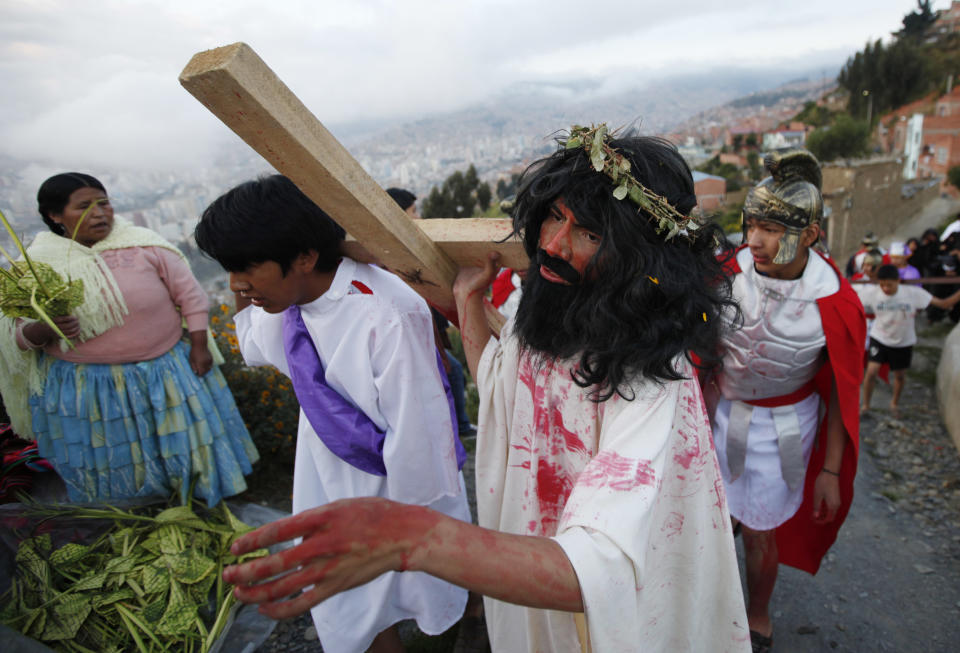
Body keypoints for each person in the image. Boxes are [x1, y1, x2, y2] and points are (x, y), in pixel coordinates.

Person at [220, 127, 751, 652]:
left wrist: (413, 537)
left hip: (607, 617)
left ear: (643, 258)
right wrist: (470, 306)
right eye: (553, 217)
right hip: (525, 562)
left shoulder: (652, 383)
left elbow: (600, 566)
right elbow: (504, 388)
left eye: (589, 233)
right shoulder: (554, 314)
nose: (552, 245)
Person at [194, 175, 472, 653]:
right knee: (348, 592)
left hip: (391, 479)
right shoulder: (290, 298)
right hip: (325, 462)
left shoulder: (385, 312)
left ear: (304, 256)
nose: (237, 286)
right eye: (227, 269)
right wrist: (246, 272)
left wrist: (403, 518)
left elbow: (418, 428)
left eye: (246, 268)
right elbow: (256, 344)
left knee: (408, 572)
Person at [0, 173, 258, 505]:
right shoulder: (35, 267)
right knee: (112, 463)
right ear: (54, 215)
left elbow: (190, 296)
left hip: (165, 377)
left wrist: (198, 344)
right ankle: (129, 518)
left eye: (103, 203)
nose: (99, 213)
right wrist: (46, 328)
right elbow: (15, 337)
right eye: (84, 206)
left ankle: (193, 508)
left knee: (182, 452)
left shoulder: (144, 245)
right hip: (89, 392)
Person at [704, 150, 865, 653]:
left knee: (759, 532)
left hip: (785, 429)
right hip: (717, 414)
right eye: (752, 224)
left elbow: (842, 390)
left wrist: (832, 471)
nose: (755, 240)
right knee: (706, 518)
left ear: (810, 235)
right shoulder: (723, 274)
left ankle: (756, 613)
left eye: (772, 228)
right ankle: (705, 599)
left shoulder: (835, 303)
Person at [856, 264, 960, 416]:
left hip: (903, 341)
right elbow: (851, 302)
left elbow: (944, 304)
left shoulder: (913, 293)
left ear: (898, 281)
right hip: (880, 337)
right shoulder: (872, 293)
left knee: (900, 375)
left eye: (889, 285)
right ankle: (865, 405)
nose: (885, 288)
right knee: (871, 372)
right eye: (882, 284)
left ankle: (894, 404)